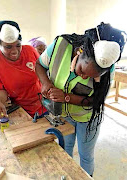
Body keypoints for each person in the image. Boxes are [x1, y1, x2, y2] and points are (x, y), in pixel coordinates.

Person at [35, 22, 126, 176]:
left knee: (86, 156)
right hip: (64, 115)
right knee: (65, 148)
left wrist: (66, 97)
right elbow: (39, 65)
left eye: (91, 77)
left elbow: (96, 100)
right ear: (81, 51)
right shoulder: (60, 45)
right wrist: (46, 83)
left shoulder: (107, 67)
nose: (84, 77)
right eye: (83, 70)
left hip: (88, 117)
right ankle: (66, 176)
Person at [0, 20, 47, 122]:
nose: (14, 51)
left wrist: (46, 84)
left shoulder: (30, 50)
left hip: (43, 105)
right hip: (20, 111)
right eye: (8, 47)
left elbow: (43, 71)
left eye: (18, 45)